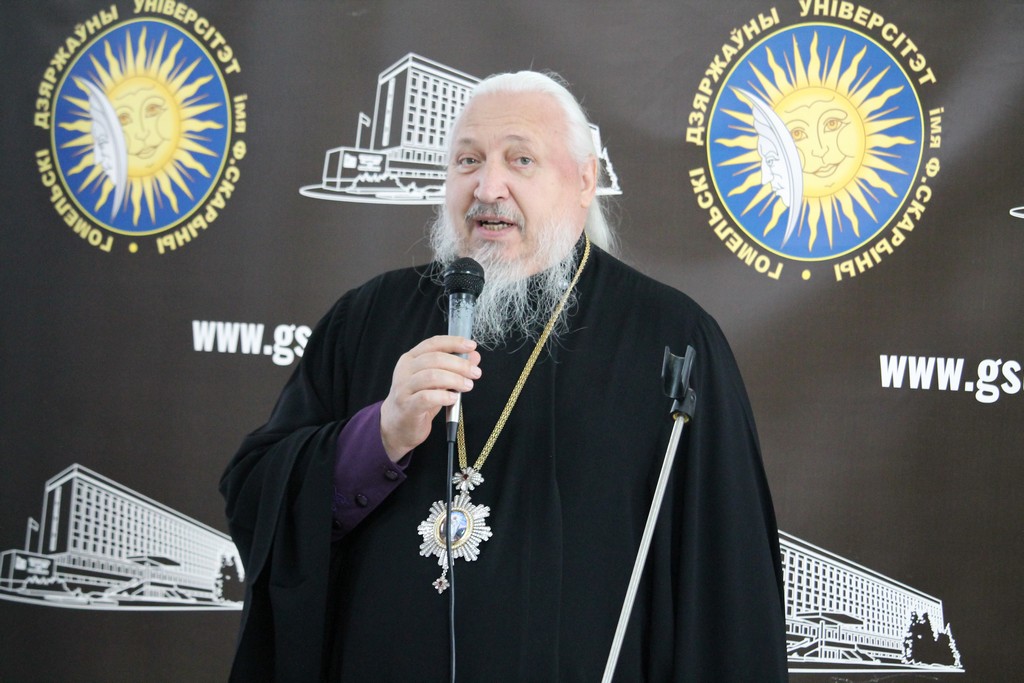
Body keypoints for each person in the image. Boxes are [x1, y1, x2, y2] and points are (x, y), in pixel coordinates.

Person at [220, 69, 788, 682]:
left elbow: (728, 588)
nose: (488, 187)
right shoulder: (368, 317)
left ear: (584, 180)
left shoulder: (671, 338)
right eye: (468, 160)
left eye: (521, 160)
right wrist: (380, 435)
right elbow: (257, 497)